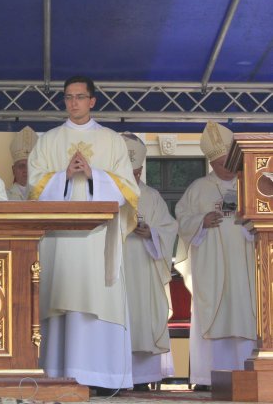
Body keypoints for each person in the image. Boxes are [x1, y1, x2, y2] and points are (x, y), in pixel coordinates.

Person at [28, 75, 139, 394]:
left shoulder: (112, 141)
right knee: (60, 296)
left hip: (97, 240)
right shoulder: (48, 141)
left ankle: (100, 377)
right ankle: (56, 374)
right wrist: (63, 176)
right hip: (59, 242)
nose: (73, 102)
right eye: (68, 97)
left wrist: (94, 176)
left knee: (95, 298)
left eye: (79, 96)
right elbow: (33, 189)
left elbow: (129, 191)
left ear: (92, 101)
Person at [175, 121, 256, 390]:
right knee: (211, 313)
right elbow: (182, 219)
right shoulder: (198, 188)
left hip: (245, 263)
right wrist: (201, 220)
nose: (227, 168)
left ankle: (249, 374)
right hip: (211, 265)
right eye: (221, 163)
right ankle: (206, 377)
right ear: (211, 163)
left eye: (230, 162)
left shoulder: (252, 184)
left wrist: (248, 220)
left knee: (245, 312)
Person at [120, 133, 178, 391]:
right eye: (129, 171)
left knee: (142, 318)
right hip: (116, 269)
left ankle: (141, 378)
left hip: (144, 267)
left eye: (138, 171)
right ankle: (114, 377)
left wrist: (151, 233)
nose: (134, 177)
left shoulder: (152, 196)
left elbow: (169, 227)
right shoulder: (106, 194)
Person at [7, 126, 38, 201]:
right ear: (13, 170)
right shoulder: (4, 197)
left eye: (29, 166)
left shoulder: (44, 196)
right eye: (21, 166)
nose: (26, 170)